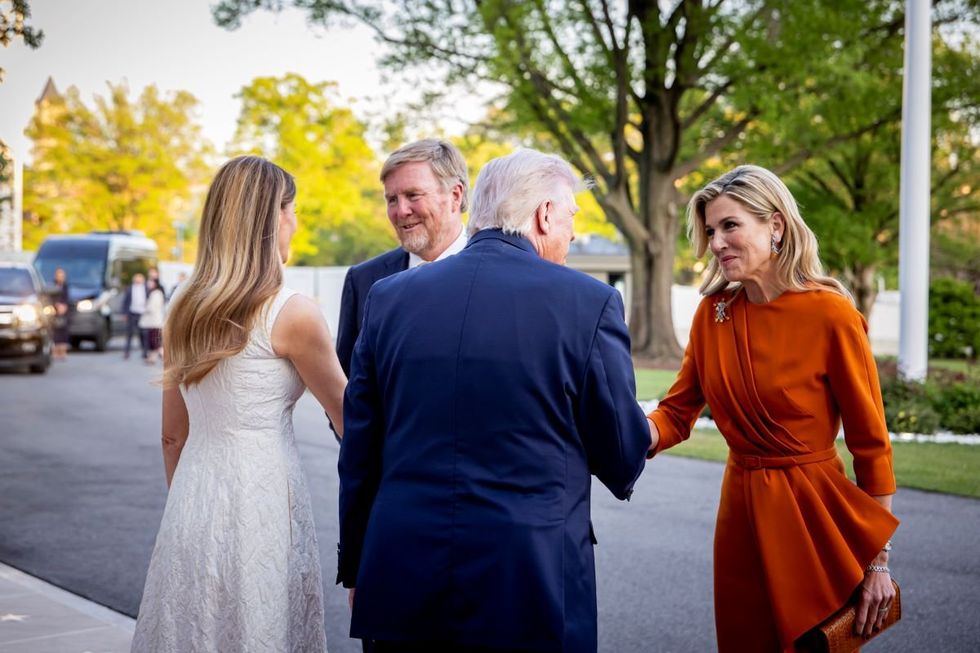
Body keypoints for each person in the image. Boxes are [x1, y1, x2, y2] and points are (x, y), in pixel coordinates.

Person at [338, 149, 652, 653]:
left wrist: (357, 565)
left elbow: (359, 454)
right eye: (571, 216)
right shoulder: (589, 302)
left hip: (400, 572)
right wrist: (650, 428)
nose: (572, 234)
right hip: (530, 581)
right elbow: (620, 453)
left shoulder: (389, 298)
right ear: (545, 214)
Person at [646, 165, 899, 652]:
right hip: (740, 516)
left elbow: (872, 446)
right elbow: (675, 414)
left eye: (730, 225)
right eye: (711, 231)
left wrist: (877, 561)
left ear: (776, 226)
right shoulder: (712, 315)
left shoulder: (832, 315)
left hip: (813, 516)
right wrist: (625, 431)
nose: (717, 243)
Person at [132, 156, 347, 652]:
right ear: (275, 217)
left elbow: (172, 436)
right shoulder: (292, 313)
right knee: (260, 625)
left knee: (193, 629)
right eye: (293, 211)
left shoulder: (182, 306)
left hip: (192, 497)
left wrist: (189, 504)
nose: (296, 223)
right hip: (263, 501)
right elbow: (351, 420)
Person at [335, 138, 469, 377]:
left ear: (455, 195)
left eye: (413, 195)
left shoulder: (501, 277)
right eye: (392, 200)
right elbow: (345, 384)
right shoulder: (363, 280)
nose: (401, 211)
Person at [138, 277, 166, 364]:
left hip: (155, 322)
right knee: (153, 342)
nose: (148, 284)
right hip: (152, 322)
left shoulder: (156, 293)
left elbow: (152, 307)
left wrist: (144, 307)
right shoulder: (153, 293)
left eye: (150, 282)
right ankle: (152, 358)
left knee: (156, 342)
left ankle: (165, 357)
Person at [122, 273, 148, 360]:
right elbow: (125, 301)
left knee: (143, 334)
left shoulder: (146, 288)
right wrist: (125, 313)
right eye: (137, 279)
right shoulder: (130, 288)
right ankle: (127, 352)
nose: (138, 281)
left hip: (142, 313)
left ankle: (145, 352)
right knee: (129, 333)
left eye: (139, 279)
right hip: (132, 313)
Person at [50, 267, 70, 360]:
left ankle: (63, 351)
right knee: (55, 332)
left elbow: (67, 298)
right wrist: (56, 305)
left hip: (64, 312)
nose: (61, 277)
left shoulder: (66, 287)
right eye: (59, 275)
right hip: (54, 312)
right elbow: (51, 298)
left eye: (62, 275)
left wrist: (64, 306)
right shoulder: (53, 286)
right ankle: (55, 351)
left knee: (63, 331)